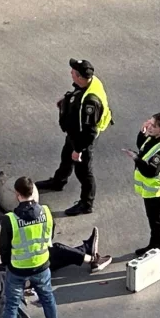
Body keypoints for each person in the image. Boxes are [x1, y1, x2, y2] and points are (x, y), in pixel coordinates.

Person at [35, 59, 113, 216]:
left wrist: (79, 150)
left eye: (73, 72)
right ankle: (58, 182)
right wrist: (66, 102)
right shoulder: (90, 82)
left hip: (82, 139)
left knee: (83, 172)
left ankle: (86, 203)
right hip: (74, 134)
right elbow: (79, 94)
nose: (70, 73)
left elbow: (89, 132)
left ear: (80, 77)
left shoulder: (91, 102)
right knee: (66, 157)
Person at [0, 176, 59, 318]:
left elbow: (4, 248)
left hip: (17, 268)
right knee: (47, 297)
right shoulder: (47, 212)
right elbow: (50, 236)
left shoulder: (10, 219)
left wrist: (7, 264)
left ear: (17, 195)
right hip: (41, 265)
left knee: (11, 306)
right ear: (33, 192)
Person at [122, 112, 160, 255]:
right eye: (149, 122)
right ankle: (153, 246)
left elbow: (150, 171)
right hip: (155, 192)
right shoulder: (156, 138)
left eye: (153, 126)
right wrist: (142, 133)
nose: (149, 127)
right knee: (154, 223)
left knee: (157, 224)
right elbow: (143, 147)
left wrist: (136, 159)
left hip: (158, 193)